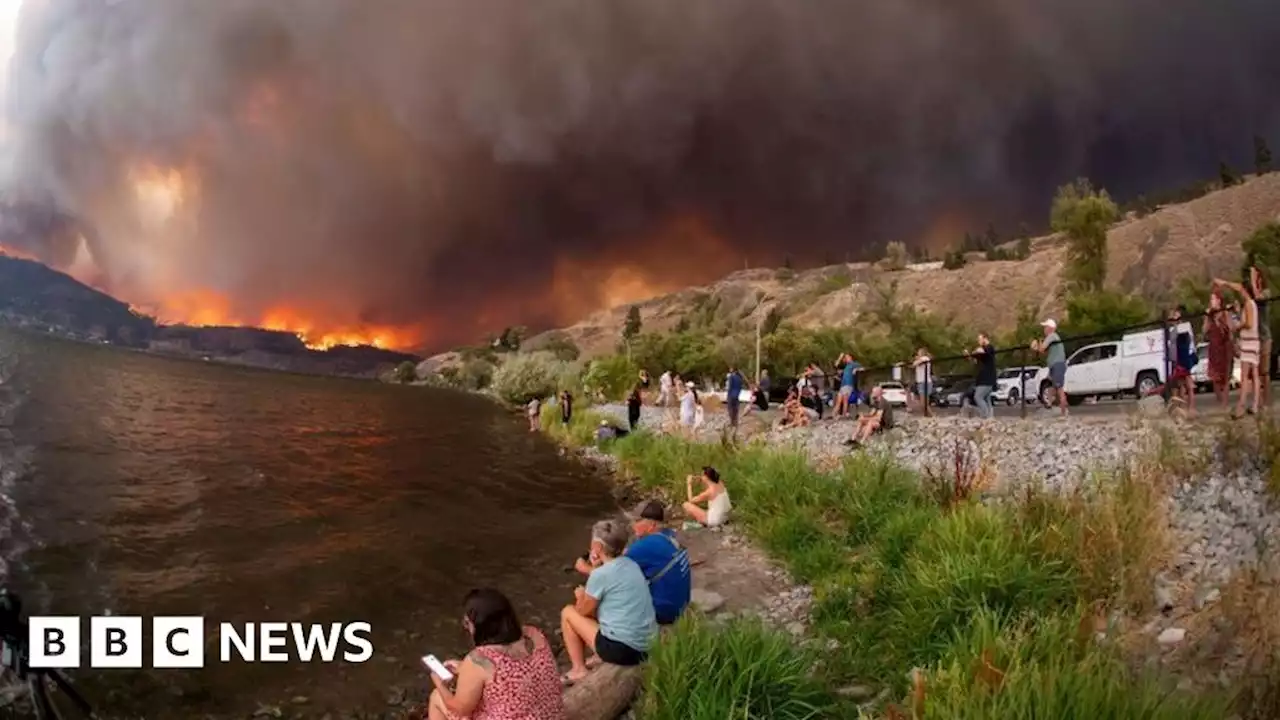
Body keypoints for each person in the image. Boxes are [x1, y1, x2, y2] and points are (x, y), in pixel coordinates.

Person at [427, 588, 565, 720]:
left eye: (467, 623)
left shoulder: (479, 658)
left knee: (437, 697)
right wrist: (464, 669)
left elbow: (460, 708)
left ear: (481, 625)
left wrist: (440, 683)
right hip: (553, 715)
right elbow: (514, 670)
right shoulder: (534, 634)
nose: (466, 627)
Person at [560, 520, 657, 684]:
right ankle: (598, 655)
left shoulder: (601, 575)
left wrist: (581, 596)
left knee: (568, 612)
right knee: (609, 606)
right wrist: (596, 567)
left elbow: (584, 611)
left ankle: (579, 670)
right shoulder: (631, 564)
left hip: (626, 650)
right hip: (648, 644)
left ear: (597, 547)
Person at [576, 501, 691, 626]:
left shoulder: (646, 545)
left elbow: (611, 575)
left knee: (600, 601)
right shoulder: (669, 535)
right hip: (680, 604)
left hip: (664, 612)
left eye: (637, 521)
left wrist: (586, 568)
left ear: (651, 525)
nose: (632, 525)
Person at [1217, 275, 1262, 418]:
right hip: (1254, 341)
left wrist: (1237, 327)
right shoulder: (1252, 304)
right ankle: (1254, 404)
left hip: (1248, 342)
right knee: (1254, 374)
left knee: (1244, 375)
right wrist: (1225, 282)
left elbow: (1248, 323)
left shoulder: (1248, 304)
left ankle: (1241, 407)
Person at [1204, 290, 1237, 410]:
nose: (1211, 302)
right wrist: (1208, 317)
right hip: (1214, 348)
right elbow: (1204, 331)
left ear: (1218, 300)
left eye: (1213, 299)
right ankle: (1221, 402)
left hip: (1225, 347)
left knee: (1226, 377)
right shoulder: (1209, 315)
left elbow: (1231, 329)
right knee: (1215, 379)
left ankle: (1225, 404)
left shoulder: (1225, 314)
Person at [1031, 319, 1068, 416]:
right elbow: (1044, 351)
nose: (1044, 329)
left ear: (1050, 328)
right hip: (1054, 364)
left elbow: (1042, 348)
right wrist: (1037, 347)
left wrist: (1036, 347)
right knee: (1051, 385)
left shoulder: (1052, 336)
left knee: (1059, 388)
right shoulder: (1053, 338)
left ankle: (1063, 412)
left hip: (1057, 364)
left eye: (1045, 327)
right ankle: (1049, 405)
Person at [1250, 263, 1272, 406]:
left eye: (1257, 276)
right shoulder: (1250, 296)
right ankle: (1258, 401)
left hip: (1264, 337)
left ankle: (1267, 400)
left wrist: (1253, 280)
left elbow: (1259, 298)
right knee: (1254, 372)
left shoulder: (1267, 292)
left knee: (1264, 372)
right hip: (1254, 338)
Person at [965, 333, 997, 419]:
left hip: (987, 379)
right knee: (986, 399)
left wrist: (975, 351)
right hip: (981, 379)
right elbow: (975, 362)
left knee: (978, 397)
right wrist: (969, 356)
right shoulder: (982, 353)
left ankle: (985, 416)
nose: (978, 341)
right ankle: (990, 417)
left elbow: (980, 351)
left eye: (980, 339)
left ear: (985, 338)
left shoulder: (989, 347)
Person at [833, 353, 855, 418]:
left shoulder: (848, 366)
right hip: (841, 387)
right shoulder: (843, 366)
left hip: (846, 386)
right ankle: (834, 415)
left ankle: (844, 415)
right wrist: (840, 357)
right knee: (838, 402)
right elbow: (836, 364)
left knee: (845, 402)